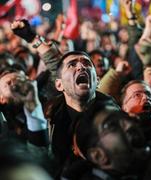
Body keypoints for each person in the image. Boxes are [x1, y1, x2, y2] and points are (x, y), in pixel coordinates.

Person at [11, 19, 120, 177]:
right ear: (59, 85)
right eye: (72, 65)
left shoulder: (116, 117)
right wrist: (32, 37)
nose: (81, 66)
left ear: (97, 81)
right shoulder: (49, 117)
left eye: (86, 63)